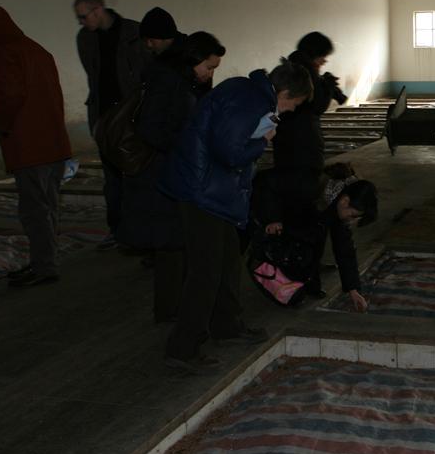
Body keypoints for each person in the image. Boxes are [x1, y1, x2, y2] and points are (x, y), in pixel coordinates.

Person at [158, 58, 312, 374]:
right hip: (203, 192)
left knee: (228, 258)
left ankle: (226, 325)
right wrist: (261, 142)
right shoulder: (251, 101)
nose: (291, 111)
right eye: (293, 104)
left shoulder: (248, 92)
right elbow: (229, 152)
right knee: (206, 271)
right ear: (284, 92)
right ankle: (182, 348)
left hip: (211, 190)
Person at [121, 31, 225, 323]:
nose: (210, 74)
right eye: (208, 67)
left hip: (174, 169)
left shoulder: (184, 82)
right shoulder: (168, 82)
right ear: (193, 60)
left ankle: (174, 308)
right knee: (171, 243)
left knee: (176, 243)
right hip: (162, 172)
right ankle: (170, 311)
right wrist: (188, 145)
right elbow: (152, 128)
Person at [0, 5, 72, 288]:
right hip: (54, 143)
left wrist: (1, 125)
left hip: (29, 145)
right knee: (49, 207)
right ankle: (45, 261)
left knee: (34, 211)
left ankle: (44, 266)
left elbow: (10, 96)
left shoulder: (5, 54)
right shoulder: (37, 50)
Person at [73, 0, 148, 247]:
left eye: (84, 16)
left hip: (132, 114)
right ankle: (118, 231)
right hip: (104, 116)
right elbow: (94, 76)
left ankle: (139, 230)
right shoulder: (85, 38)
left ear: (98, 10)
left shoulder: (134, 32)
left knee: (137, 174)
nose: (81, 22)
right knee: (112, 177)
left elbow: (143, 73)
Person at [250, 164, 376, 313]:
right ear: (345, 201)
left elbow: (344, 250)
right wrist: (272, 218)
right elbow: (266, 183)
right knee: (292, 245)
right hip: (264, 195)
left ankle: (308, 284)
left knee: (313, 237)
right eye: (353, 216)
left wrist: (353, 290)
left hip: (298, 213)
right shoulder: (311, 186)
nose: (351, 221)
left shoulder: (340, 201)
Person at [271, 32, 348, 217]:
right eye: (323, 56)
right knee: (304, 185)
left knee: (289, 181)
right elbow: (318, 106)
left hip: (288, 138)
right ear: (316, 53)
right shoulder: (305, 71)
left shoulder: (293, 66)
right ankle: (301, 220)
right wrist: (328, 87)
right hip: (302, 140)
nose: (324, 61)